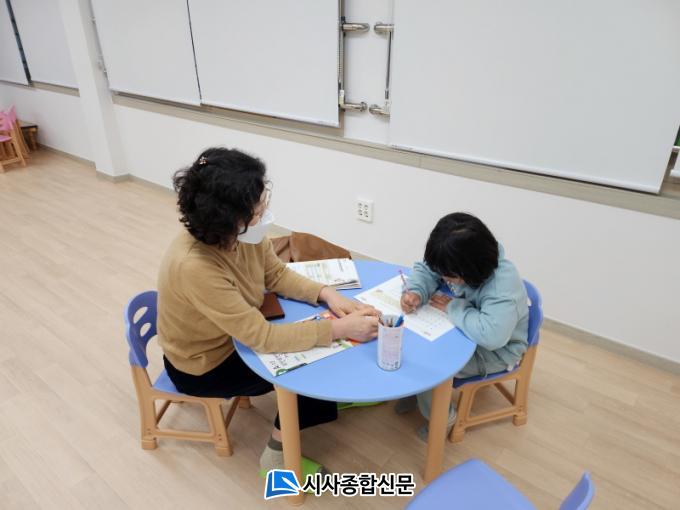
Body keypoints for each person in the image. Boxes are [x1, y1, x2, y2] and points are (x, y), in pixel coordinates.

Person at [157, 147, 379, 475]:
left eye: (263, 203)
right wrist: (338, 329)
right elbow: (262, 338)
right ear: (229, 219)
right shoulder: (195, 266)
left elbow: (275, 274)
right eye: (258, 210)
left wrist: (326, 294)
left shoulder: (240, 234)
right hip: (205, 364)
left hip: (234, 334)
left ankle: (326, 398)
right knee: (308, 367)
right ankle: (275, 457)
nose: (264, 214)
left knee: (315, 338)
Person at [396, 212, 529, 440]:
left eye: (450, 276)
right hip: (466, 330)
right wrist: (416, 291)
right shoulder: (458, 258)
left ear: (471, 269)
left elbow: (492, 335)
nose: (444, 278)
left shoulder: (502, 286)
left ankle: (443, 417)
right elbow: (427, 269)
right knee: (410, 342)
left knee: (430, 365)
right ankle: (417, 392)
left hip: (495, 350)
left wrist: (453, 308)